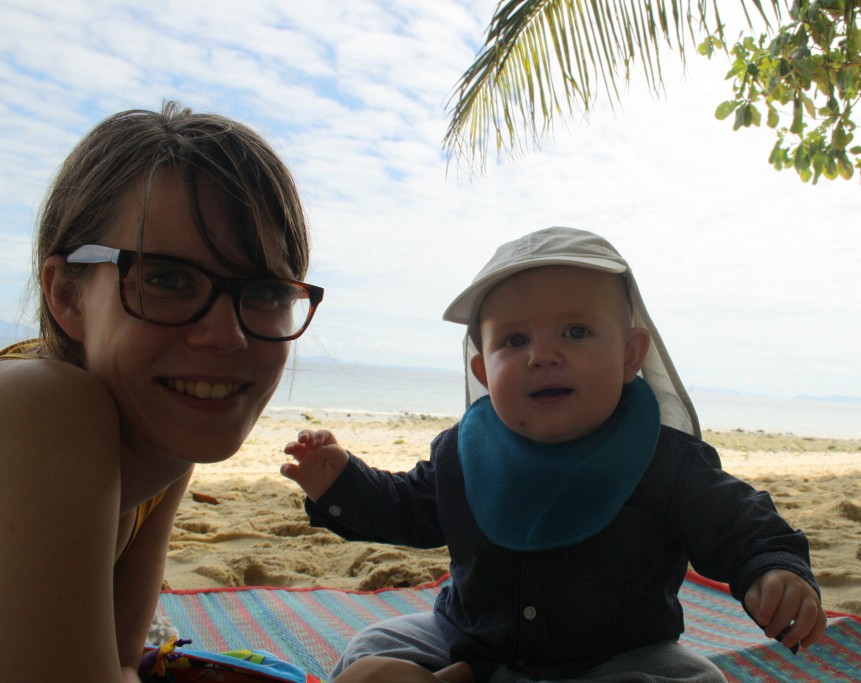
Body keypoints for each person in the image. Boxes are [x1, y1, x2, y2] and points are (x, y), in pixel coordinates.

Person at [283, 227, 827, 683]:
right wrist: (342, 483)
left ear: (630, 356)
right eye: (514, 341)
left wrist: (773, 569)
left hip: (616, 659)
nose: (543, 355)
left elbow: (740, 523)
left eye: (576, 331)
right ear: (483, 372)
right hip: (469, 639)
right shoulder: (463, 455)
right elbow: (406, 506)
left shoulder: (663, 460)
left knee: (699, 679)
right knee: (372, 646)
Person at [0, 102, 322, 683]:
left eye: (267, 291)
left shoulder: (165, 443)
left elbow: (123, 662)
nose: (226, 336)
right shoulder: (38, 405)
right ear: (67, 294)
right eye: (167, 279)